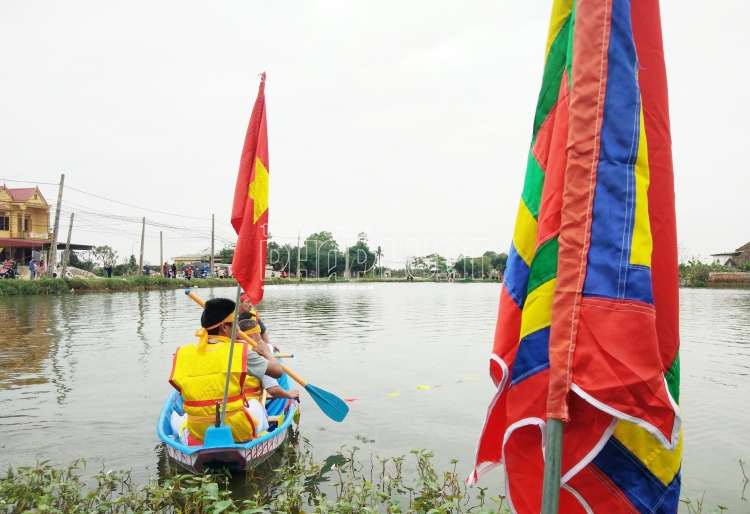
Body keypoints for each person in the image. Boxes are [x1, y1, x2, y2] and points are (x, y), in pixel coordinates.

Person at [168, 298, 282, 446]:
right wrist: (267, 352)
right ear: (224, 327)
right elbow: (278, 371)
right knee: (255, 404)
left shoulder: (183, 353)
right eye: (235, 326)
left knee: (176, 417)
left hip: (198, 430)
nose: (239, 331)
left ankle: (188, 439)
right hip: (237, 430)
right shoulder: (240, 351)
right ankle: (258, 437)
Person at [238, 319, 299, 401]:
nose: (261, 338)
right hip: (249, 403)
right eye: (259, 334)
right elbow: (273, 389)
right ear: (251, 336)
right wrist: (289, 394)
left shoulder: (231, 349)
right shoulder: (259, 353)